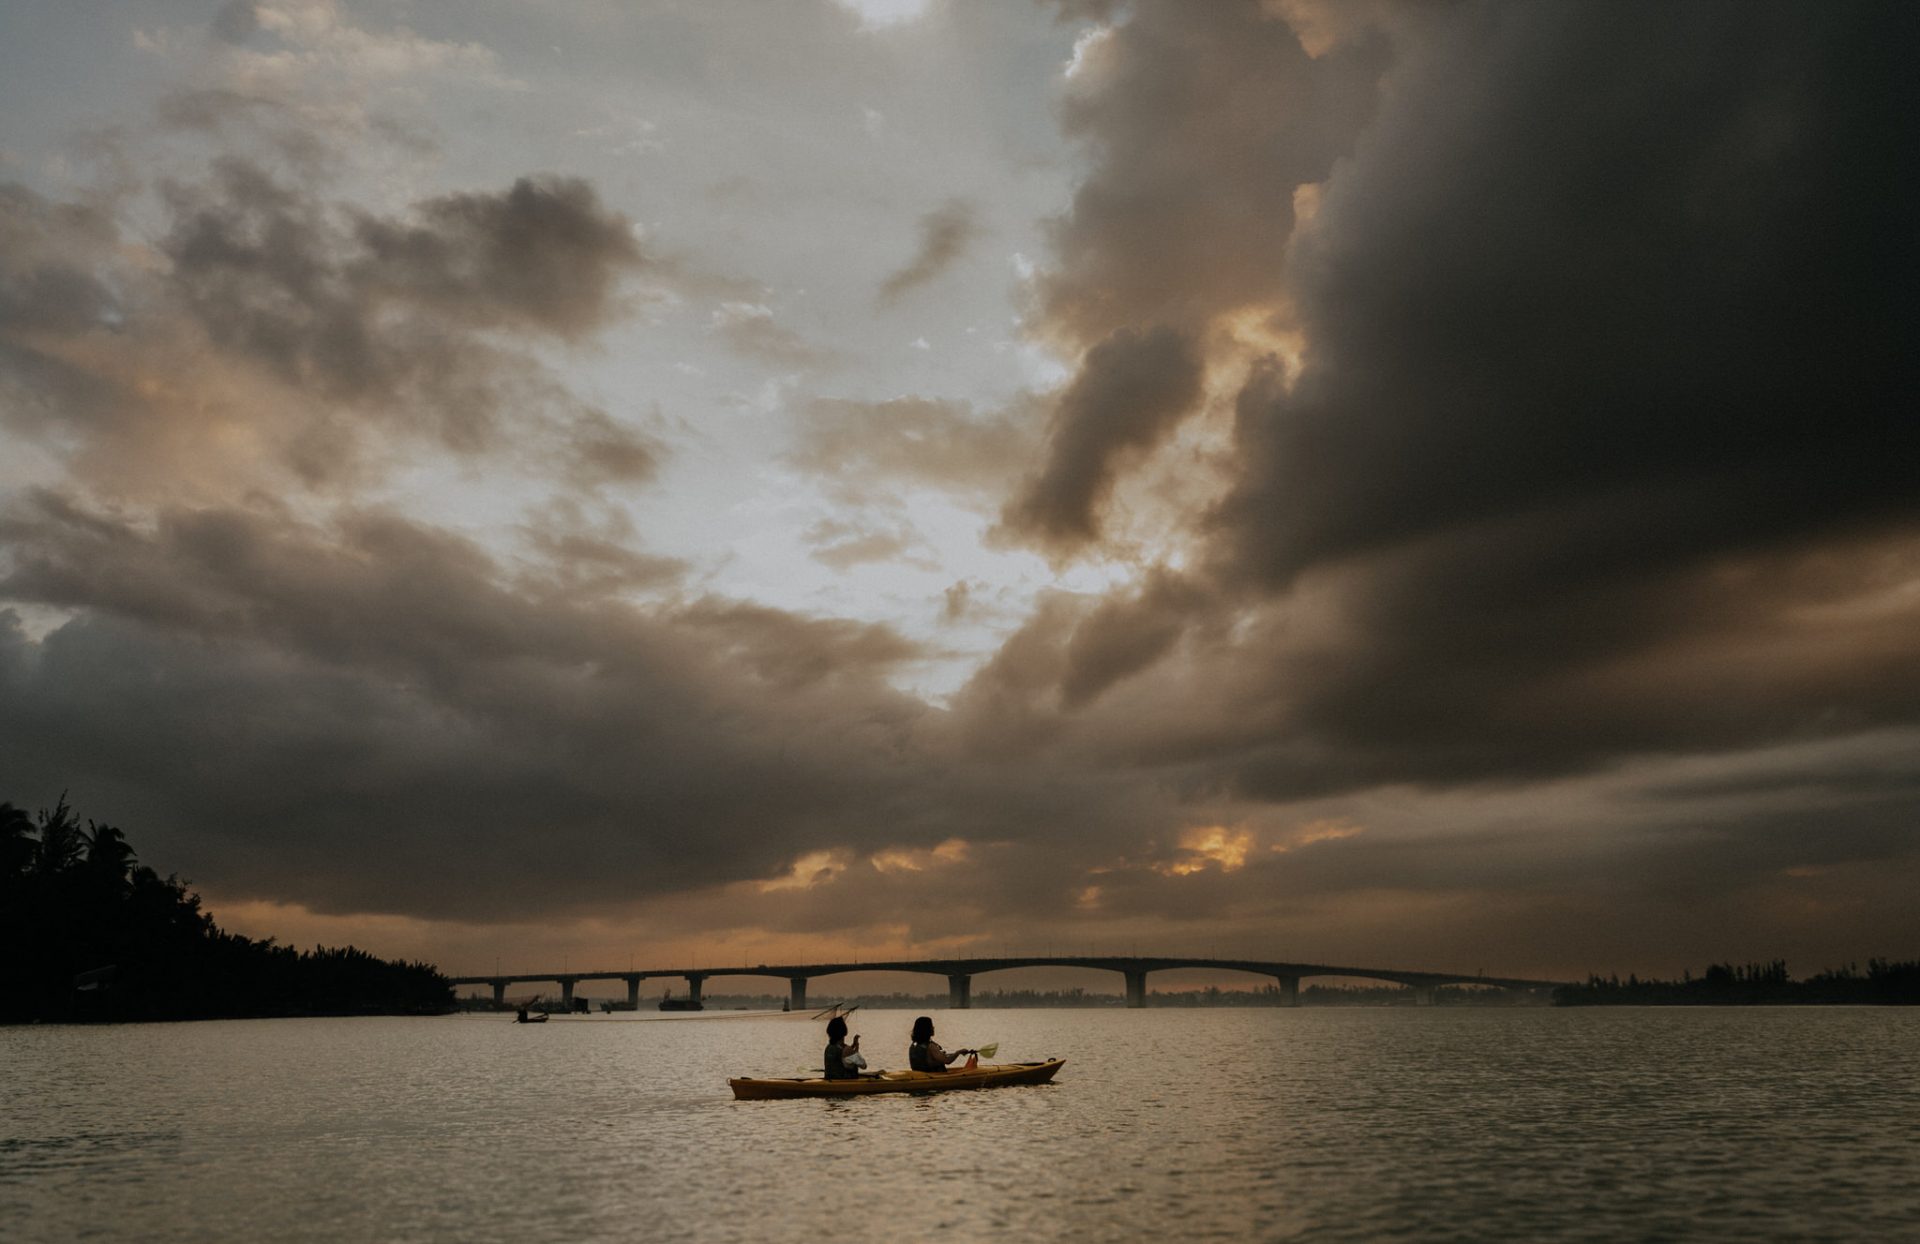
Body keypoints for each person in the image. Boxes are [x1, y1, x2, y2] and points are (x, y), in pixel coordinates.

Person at [907, 1015, 976, 1072]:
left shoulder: (913, 1045)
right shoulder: (931, 1046)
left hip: (918, 1075)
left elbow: (933, 1059)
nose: (933, 1028)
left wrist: (959, 1052)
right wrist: (958, 1052)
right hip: (932, 1076)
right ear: (927, 1029)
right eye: (931, 1026)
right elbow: (947, 1060)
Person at [823, 1015, 867, 1079]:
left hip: (829, 1080)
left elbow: (843, 1055)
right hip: (845, 1083)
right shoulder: (847, 1050)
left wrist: (853, 1046)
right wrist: (856, 1048)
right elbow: (863, 1065)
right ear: (844, 1032)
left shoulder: (828, 1048)